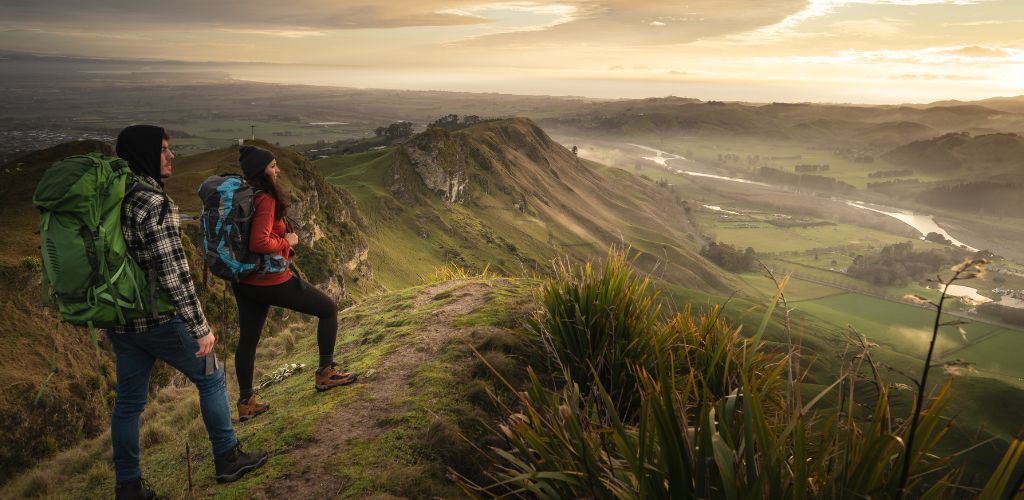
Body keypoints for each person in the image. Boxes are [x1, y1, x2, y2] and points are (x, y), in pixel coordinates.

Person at [108, 126, 267, 499]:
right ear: (147, 154)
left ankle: (127, 486)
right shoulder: (151, 201)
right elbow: (173, 272)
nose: (172, 155)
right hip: (160, 320)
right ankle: (227, 457)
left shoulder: (111, 196)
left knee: (129, 404)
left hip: (119, 318)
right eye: (164, 149)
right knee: (211, 378)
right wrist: (200, 327)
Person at [232, 145, 356, 421]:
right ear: (262, 170)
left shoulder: (243, 194)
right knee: (328, 308)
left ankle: (246, 403)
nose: (278, 170)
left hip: (244, 280)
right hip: (269, 279)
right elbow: (259, 241)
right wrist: (286, 242)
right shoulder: (265, 198)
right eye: (273, 166)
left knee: (249, 341)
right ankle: (326, 373)